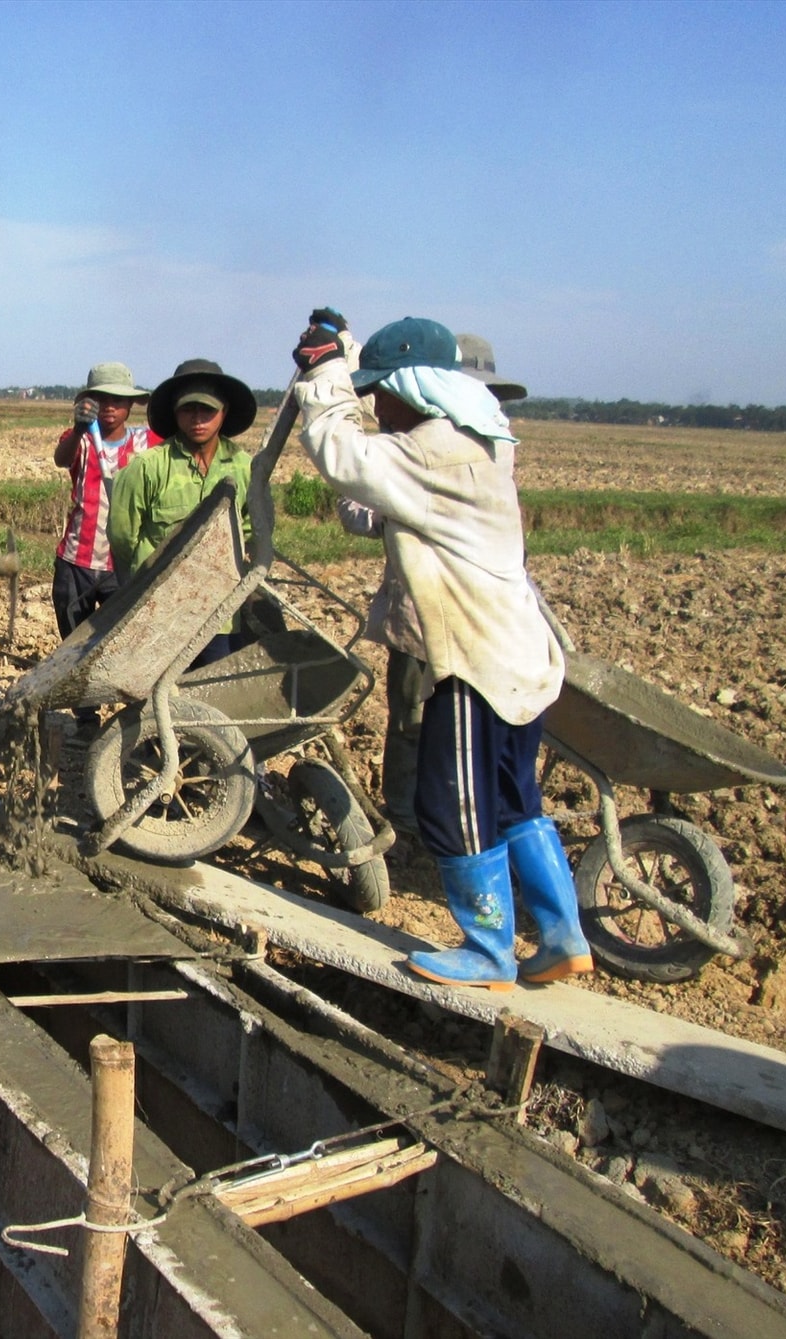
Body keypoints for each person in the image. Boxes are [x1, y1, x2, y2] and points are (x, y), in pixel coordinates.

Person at [291, 312, 589, 990]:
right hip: (518, 656)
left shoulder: (432, 449)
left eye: (380, 392)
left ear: (415, 391)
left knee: (450, 800)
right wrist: (346, 347)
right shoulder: (476, 440)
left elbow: (341, 451)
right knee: (514, 798)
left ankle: (488, 947)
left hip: (473, 662)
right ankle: (562, 932)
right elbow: (373, 494)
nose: (375, 404)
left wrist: (326, 375)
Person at [333, 329, 529, 837]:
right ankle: (409, 813)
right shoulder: (412, 449)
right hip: (420, 615)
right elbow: (359, 510)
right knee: (411, 722)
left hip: (478, 624)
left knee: (464, 732)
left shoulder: (493, 450)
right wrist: (390, 512)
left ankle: (459, 822)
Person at [107, 358, 258, 667]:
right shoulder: (147, 467)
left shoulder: (244, 467)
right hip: (160, 612)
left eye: (207, 410)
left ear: (223, 412)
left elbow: (251, 528)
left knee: (212, 687)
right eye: (188, 410)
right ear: (175, 413)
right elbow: (122, 536)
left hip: (219, 609)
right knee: (158, 694)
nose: (197, 419)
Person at [51, 363, 158, 640]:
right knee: (73, 643)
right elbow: (62, 459)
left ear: (131, 404)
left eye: (118, 400)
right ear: (90, 402)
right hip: (77, 562)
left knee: (120, 640)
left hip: (123, 565)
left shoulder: (147, 442)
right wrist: (78, 429)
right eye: (102, 399)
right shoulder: (81, 440)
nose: (109, 406)